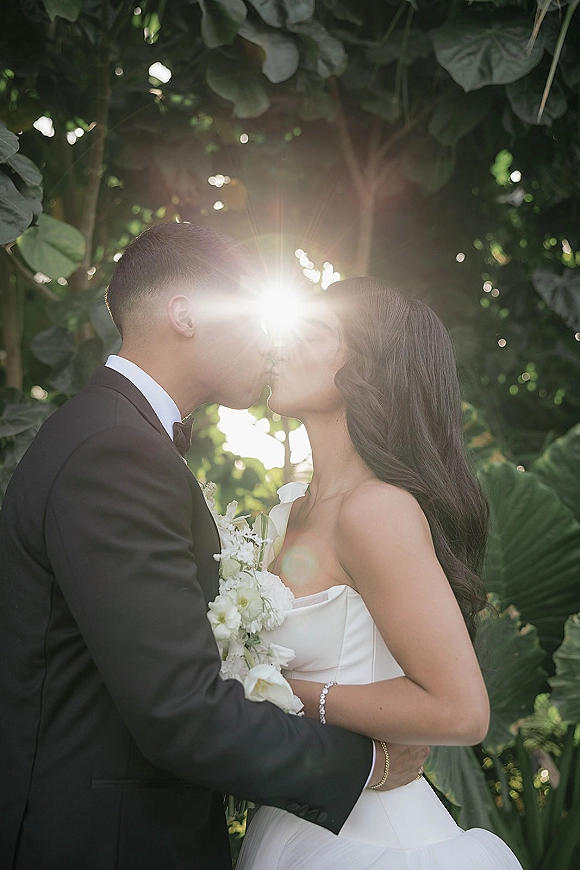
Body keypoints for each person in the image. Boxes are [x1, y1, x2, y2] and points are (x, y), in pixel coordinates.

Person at [0, 225, 427, 870]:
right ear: (186, 314)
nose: (271, 343)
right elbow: (179, 710)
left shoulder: (113, 437)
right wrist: (366, 762)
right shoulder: (115, 454)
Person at [237, 277, 523, 869]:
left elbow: (461, 711)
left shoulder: (376, 510)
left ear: (364, 367)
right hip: (301, 818)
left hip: (372, 840)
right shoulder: (293, 508)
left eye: (310, 332)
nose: (278, 346)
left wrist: (281, 693)